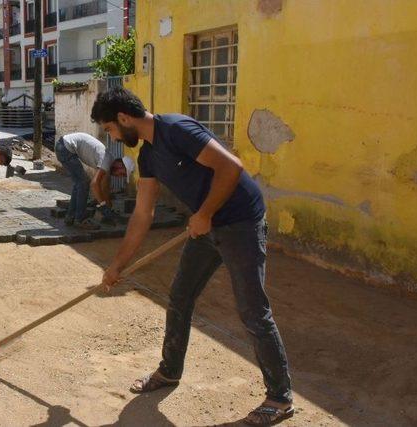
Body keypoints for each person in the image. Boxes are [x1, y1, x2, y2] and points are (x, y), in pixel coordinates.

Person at [91, 87, 293, 426]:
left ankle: (280, 398)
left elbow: (231, 167)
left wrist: (206, 212)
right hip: (206, 225)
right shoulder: (149, 157)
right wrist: (116, 266)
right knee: (180, 296)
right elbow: (143, 215)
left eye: (110, 128)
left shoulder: (177, 129)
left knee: (253, 312)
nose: (111, 136)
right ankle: (169, 372)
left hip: (241, 222)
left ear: (124, 118)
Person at [54, 132, 134, 230]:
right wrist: (103, 206)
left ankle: (70, 217)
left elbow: (104, 187)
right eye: (122, 174)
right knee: (84, 183)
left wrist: (107, 207)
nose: (119, 176)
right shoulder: (107, 160)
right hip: (66, 148)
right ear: (120, 165)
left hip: (63, 146)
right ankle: (80, 220)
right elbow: (94, 184)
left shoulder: (107, 162)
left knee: (79, 184)